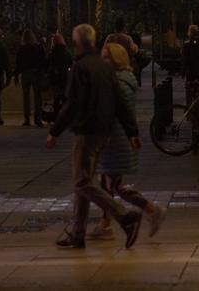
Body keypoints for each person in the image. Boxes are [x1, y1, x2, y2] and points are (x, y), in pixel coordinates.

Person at [46, 24, 143, 250]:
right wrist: (132, 132)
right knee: (84, 182)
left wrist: (55, 131)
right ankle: (78, 233)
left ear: (77, 43)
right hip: (104, 132)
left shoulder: (81, 67)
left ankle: (125, 216)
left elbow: (73, 103)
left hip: (86, 131)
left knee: (82, 182)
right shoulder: (105, 67)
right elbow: (119, 103)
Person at [89, 42, 165, 242]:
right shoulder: (122, 80)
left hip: (116, 140)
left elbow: (112, 111)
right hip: (116, 138)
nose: (103, 61)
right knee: (109, 184)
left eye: (106, 57)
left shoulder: (119, 83)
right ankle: (105, 224)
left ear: (116, 60)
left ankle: (150, 209)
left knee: (114, 185)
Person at [15, 30, 48, 127]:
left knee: (26, 97)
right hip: (37, 73)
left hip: (26, 73)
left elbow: (19, 63)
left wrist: (16, 75)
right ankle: (38, 118)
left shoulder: (22, 48)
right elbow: (43, 60)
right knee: (37, 97)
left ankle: (27, 118)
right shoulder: (38, 47)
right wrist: (43, 71)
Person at [48, 33, 72, 115]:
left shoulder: (52, 54)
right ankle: (66, 115)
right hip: (65, 78)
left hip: (55, 78)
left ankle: (56, 115)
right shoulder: (67, 53)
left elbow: (48, 65)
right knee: (65, 98)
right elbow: (71, 63)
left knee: (56, 98)